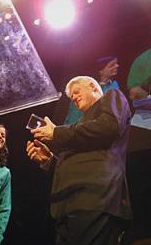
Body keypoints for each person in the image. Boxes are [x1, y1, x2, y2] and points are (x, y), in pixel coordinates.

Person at [26, 76, 132, 245]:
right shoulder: (79, 126)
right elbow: (73, 163)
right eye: (71, 97)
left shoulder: (112, 96)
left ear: (92, 86)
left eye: (76, 92)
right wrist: (49, 160)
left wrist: (57, 133)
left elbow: (109, 127)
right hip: (66, 206)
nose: (74, 98)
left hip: (95, 200)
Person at [64, 56, 120, 124]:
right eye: (111, 65)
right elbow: (74, 114)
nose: (117, 66)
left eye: (116, 64)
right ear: (101, 71)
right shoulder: (83, 86)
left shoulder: (114, 85)